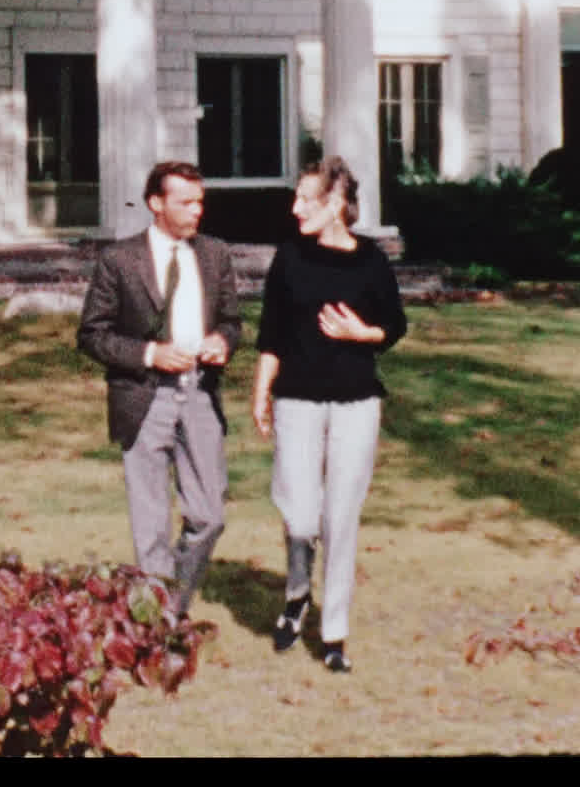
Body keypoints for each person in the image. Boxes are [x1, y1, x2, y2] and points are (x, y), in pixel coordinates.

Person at [250, 157, 405, 673]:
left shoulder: (371, 262)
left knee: (342, 515)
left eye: (305, 200)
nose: (294, 209)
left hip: (356, 402)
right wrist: (260, 391)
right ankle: (298, 594)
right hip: (296, 398)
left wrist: (364, 334)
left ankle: (333, 631)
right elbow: (271, 332)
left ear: (336, 204)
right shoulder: (290, 257)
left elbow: (395, 325)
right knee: (298, 510)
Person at [77, 161, 241, 619]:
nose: (197, 211)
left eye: (200, 201)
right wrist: (150, 354)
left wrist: (223, 341)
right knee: (150, 524)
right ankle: (160, 625)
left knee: (210, 515)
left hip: (200, 394)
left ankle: (172, 600)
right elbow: (92, 334)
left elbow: (232, 321)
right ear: (156, 204)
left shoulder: (214, 255)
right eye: (186, 202)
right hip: (142, 398)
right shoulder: (120, 260)